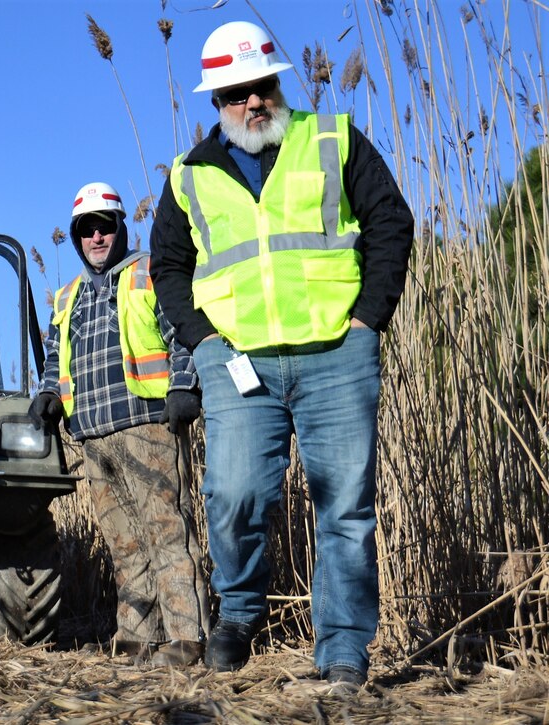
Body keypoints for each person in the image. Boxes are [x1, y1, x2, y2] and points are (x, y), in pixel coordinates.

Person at [149, 20, 414, 687]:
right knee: (234, 493)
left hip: (337, 354)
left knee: (345, 508)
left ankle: (344, 651)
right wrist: (204, 342)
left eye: (261, 85)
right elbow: (168, 266)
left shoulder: (333, 140)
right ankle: (238, 608)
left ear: (278, 83)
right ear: (217, 100)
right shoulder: (188, 177)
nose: (252, 102)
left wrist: (366, 322)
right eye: (236, 92)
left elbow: (391, 222)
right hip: (241, 361)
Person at [30, 182, 210, 668]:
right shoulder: (66, 297)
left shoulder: (151, 272)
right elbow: (54, 356)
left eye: (103, 227)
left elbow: (184, 335)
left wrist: (183, 388)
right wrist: (48, 393)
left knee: (167, 531)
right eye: (86, 230)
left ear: (119, 228)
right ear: (76, 237)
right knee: (123, 544)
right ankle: (136, 639)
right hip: (91, 433)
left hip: (146, 425)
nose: (96, 237)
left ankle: (187, 638)